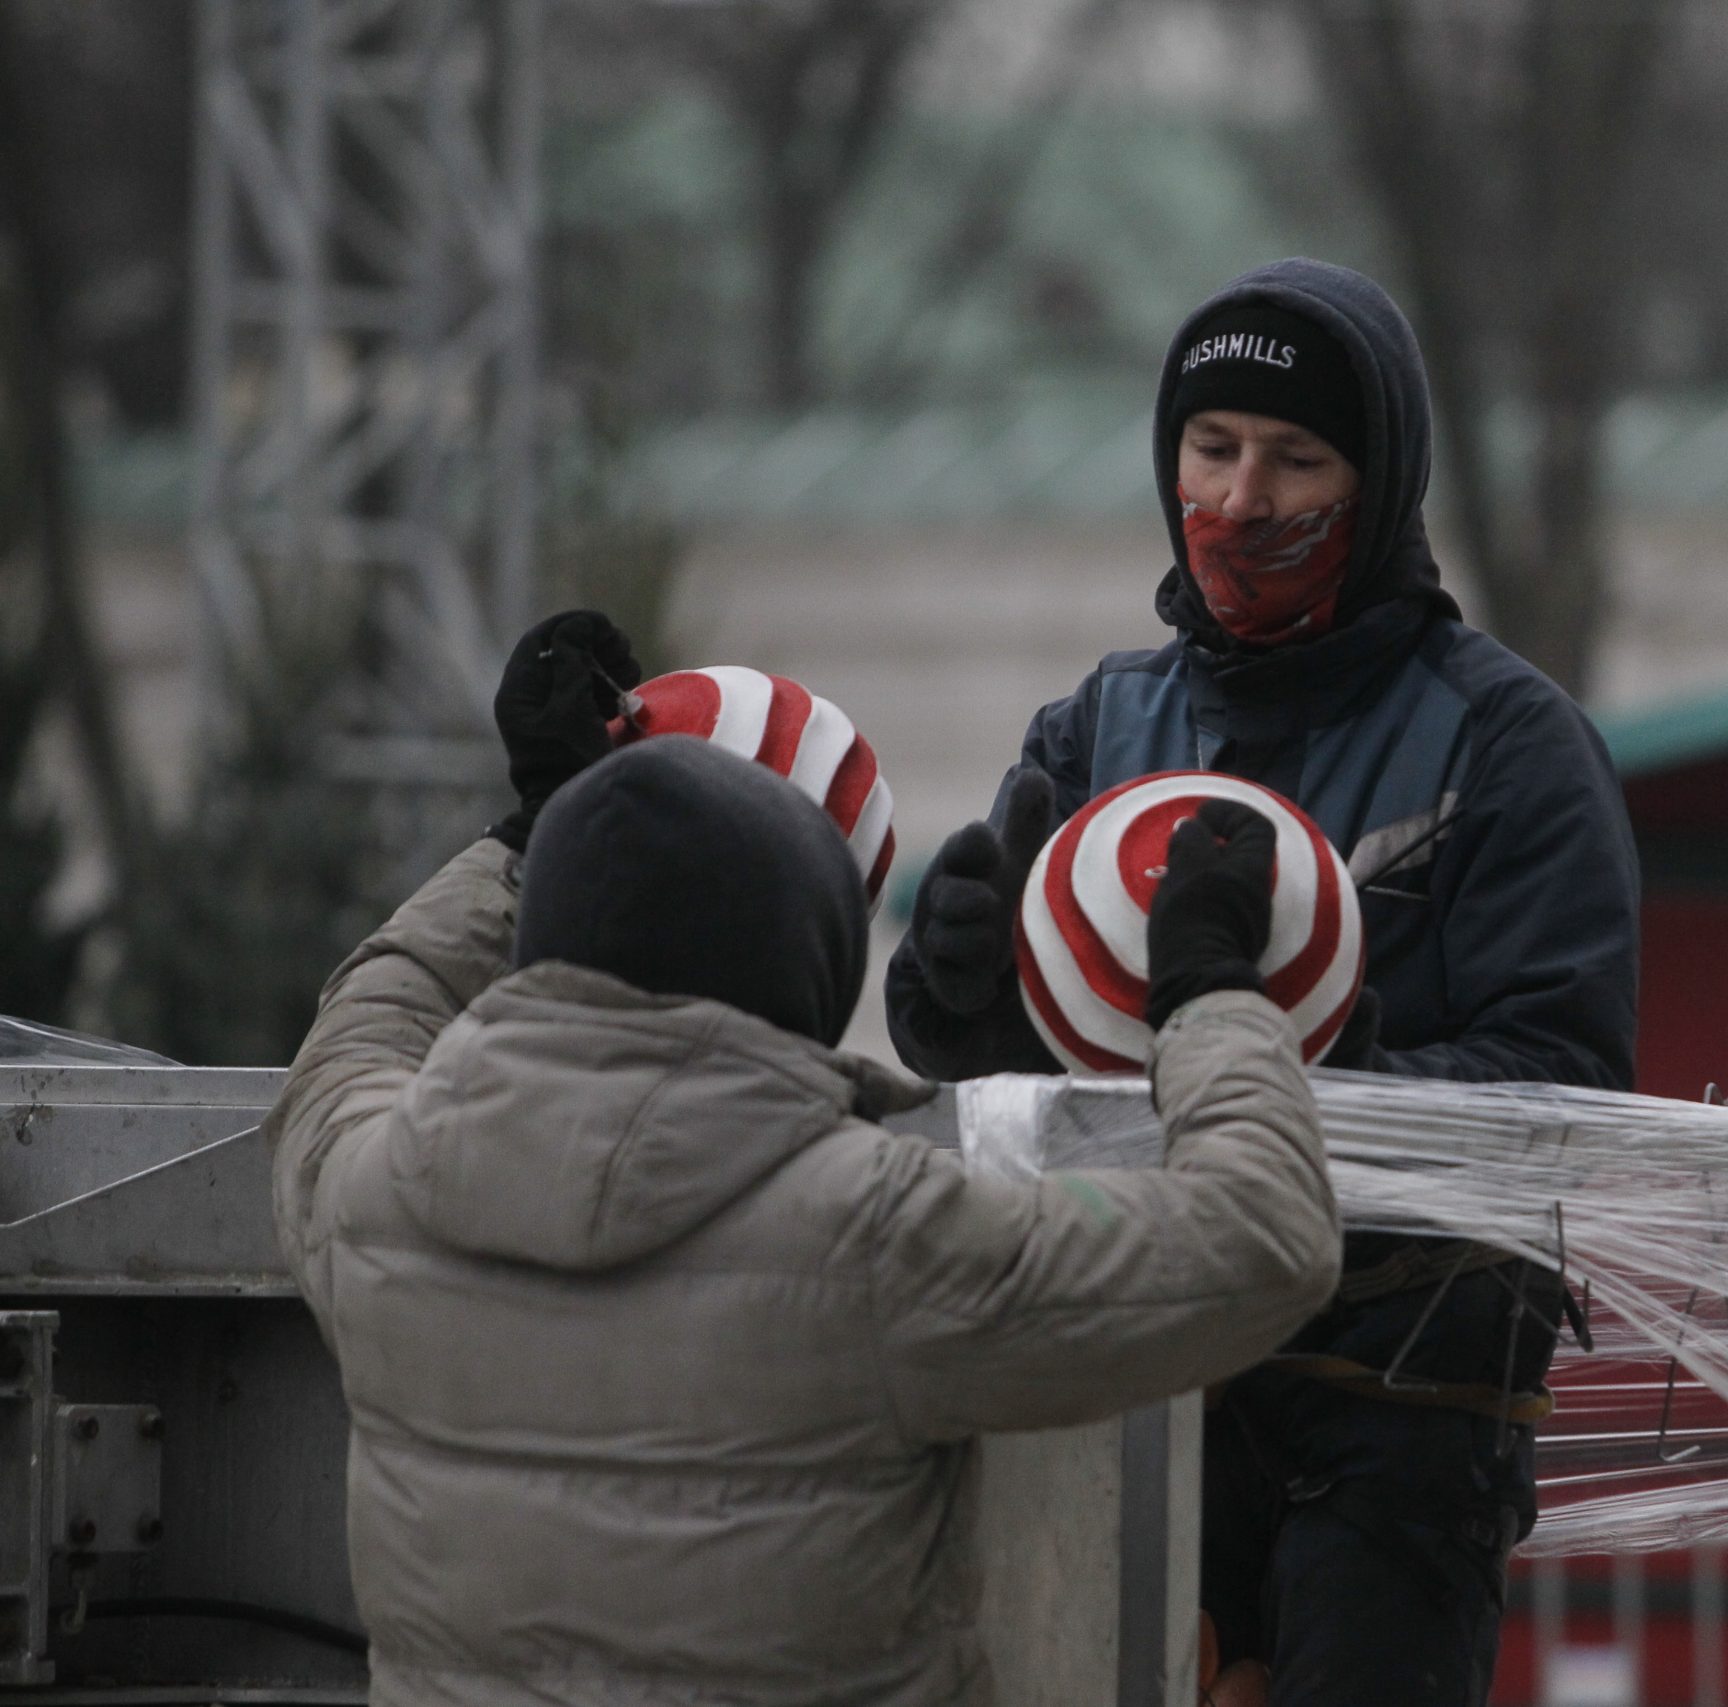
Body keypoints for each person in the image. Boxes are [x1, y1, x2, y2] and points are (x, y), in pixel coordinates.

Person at [264, 611, 1342, 1707]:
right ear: (806, 983)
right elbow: (1262, 1241)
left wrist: (533, 838)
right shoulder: (877, 1239)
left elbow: (369, 1017)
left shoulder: (374, 1199)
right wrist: (1206, 987)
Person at [885, 261, 1641, 1705]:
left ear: (1386, 481)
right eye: (1212, 447)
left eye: (1299, 459)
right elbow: (1021, 1085)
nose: (1243, 500)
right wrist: (962, 1001)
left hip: (1397, 1411)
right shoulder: (1100, 721)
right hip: (1127, 1381)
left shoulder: (1510, 745)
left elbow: (1567, 1090)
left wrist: (1302, 1050)